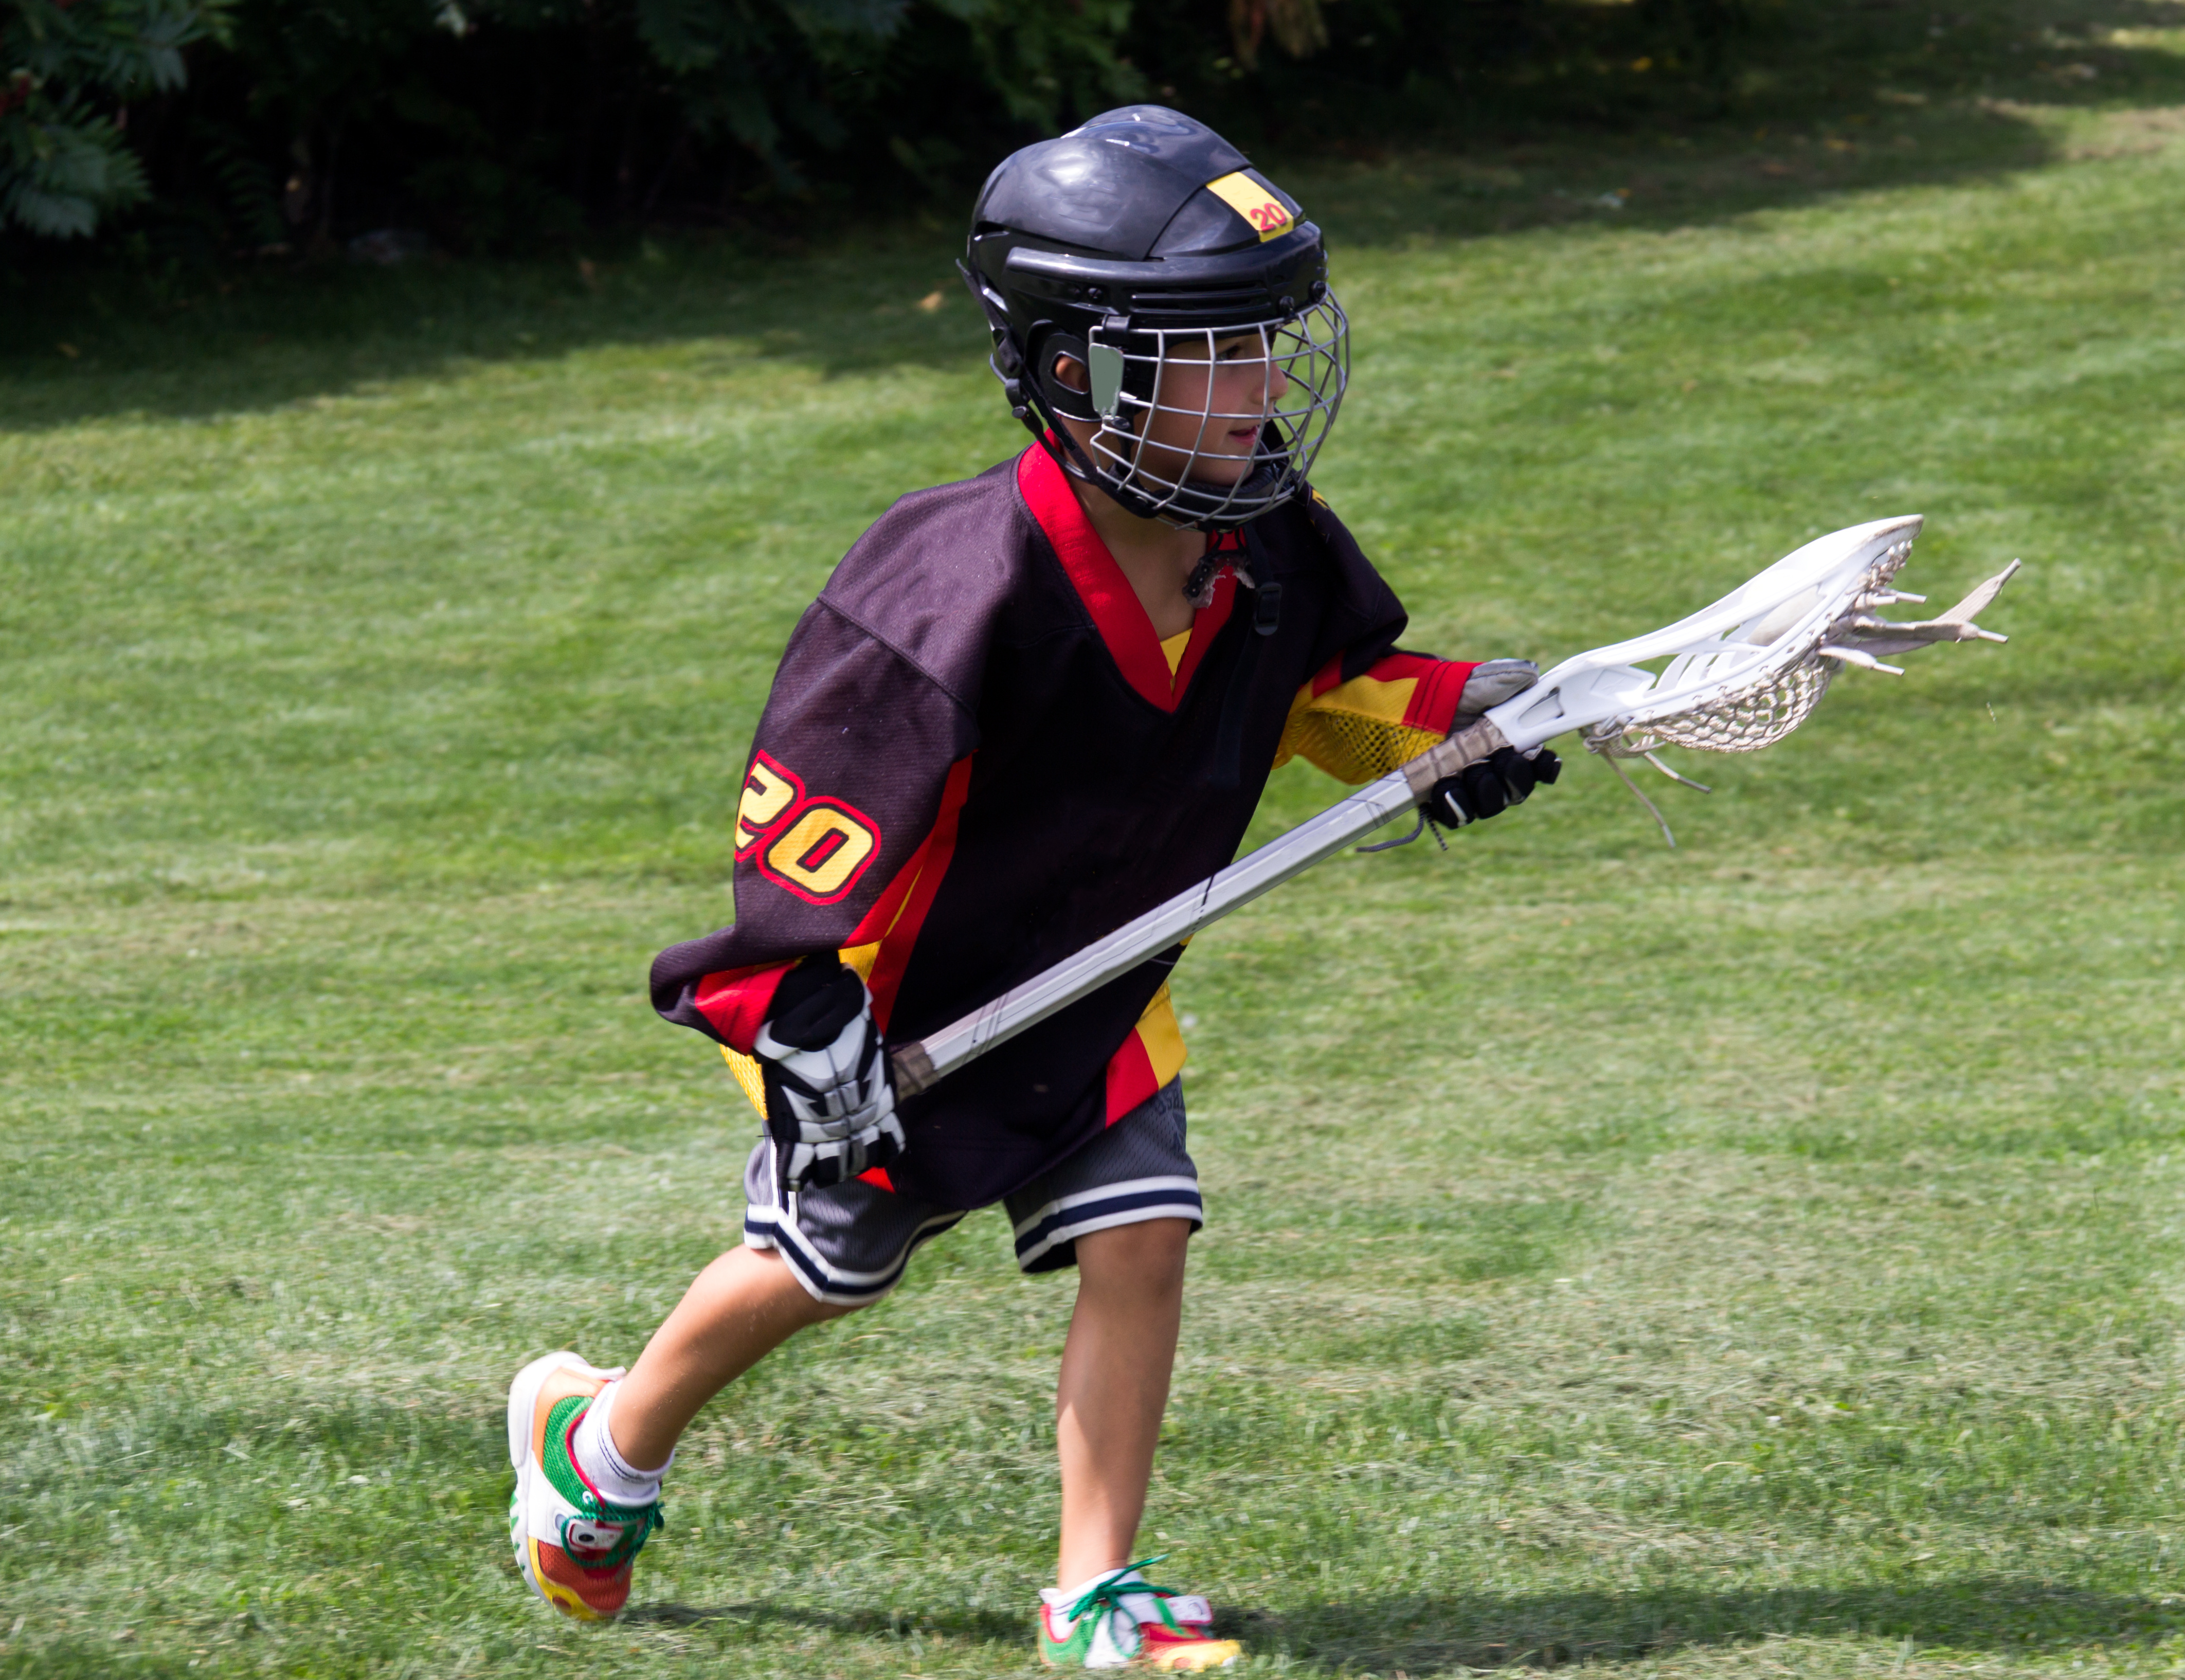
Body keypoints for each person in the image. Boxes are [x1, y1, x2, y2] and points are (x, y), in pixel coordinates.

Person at [501, 106, 1559, 1669]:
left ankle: (1095, 1590)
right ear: (1080, 373)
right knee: (825, 1272)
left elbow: (1333, 692)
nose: (1261, 386)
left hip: (1100, 998)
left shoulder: (1264, 545)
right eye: (1215, 354)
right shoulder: (945, 592)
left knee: (1143, 1235)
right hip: (895, 1015)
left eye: (1267, 343)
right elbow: (802, 850)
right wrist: (804, 1029)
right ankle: (598, 1447)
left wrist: (1452, 723)